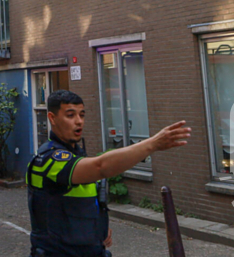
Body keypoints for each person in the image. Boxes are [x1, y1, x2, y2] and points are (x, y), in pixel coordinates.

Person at [27, 90, 191, 257]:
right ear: (52, 118)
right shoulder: (49, 159)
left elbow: (78, 203)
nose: (79, 121)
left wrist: (98, 227)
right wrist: (152, 144)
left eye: (82, 115)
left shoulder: (77, 154)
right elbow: (101, 167)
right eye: (70, 115)